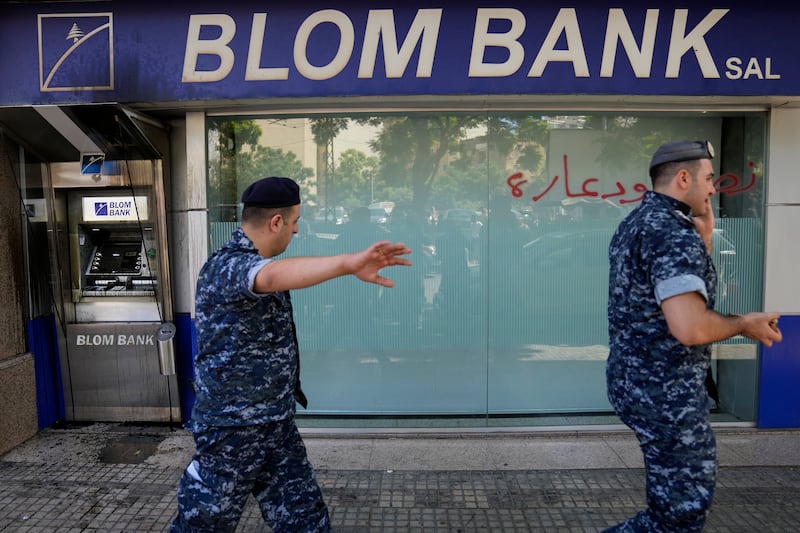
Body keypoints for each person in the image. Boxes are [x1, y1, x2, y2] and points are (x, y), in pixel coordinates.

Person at [170, 177, 412, 533]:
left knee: (304, 519)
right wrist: (347, 263)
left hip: (275, 423)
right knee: (203, 525)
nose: (296, 231)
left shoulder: (252, 262)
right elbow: (269, 277)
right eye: (295, 222)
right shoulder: (228, 266)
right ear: (276, 222)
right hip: (232, 431)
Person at [603, 140, 782, 532]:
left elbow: (663, 293)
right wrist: (744, 324)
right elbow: (691, 327)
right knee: (678, 518)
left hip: (638, 383)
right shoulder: (671, 232)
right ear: (683, 178)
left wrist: (702, 239)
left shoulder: (638, 222)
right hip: (666, 393)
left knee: (673, 512)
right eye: (708, 178)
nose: (713, 188)